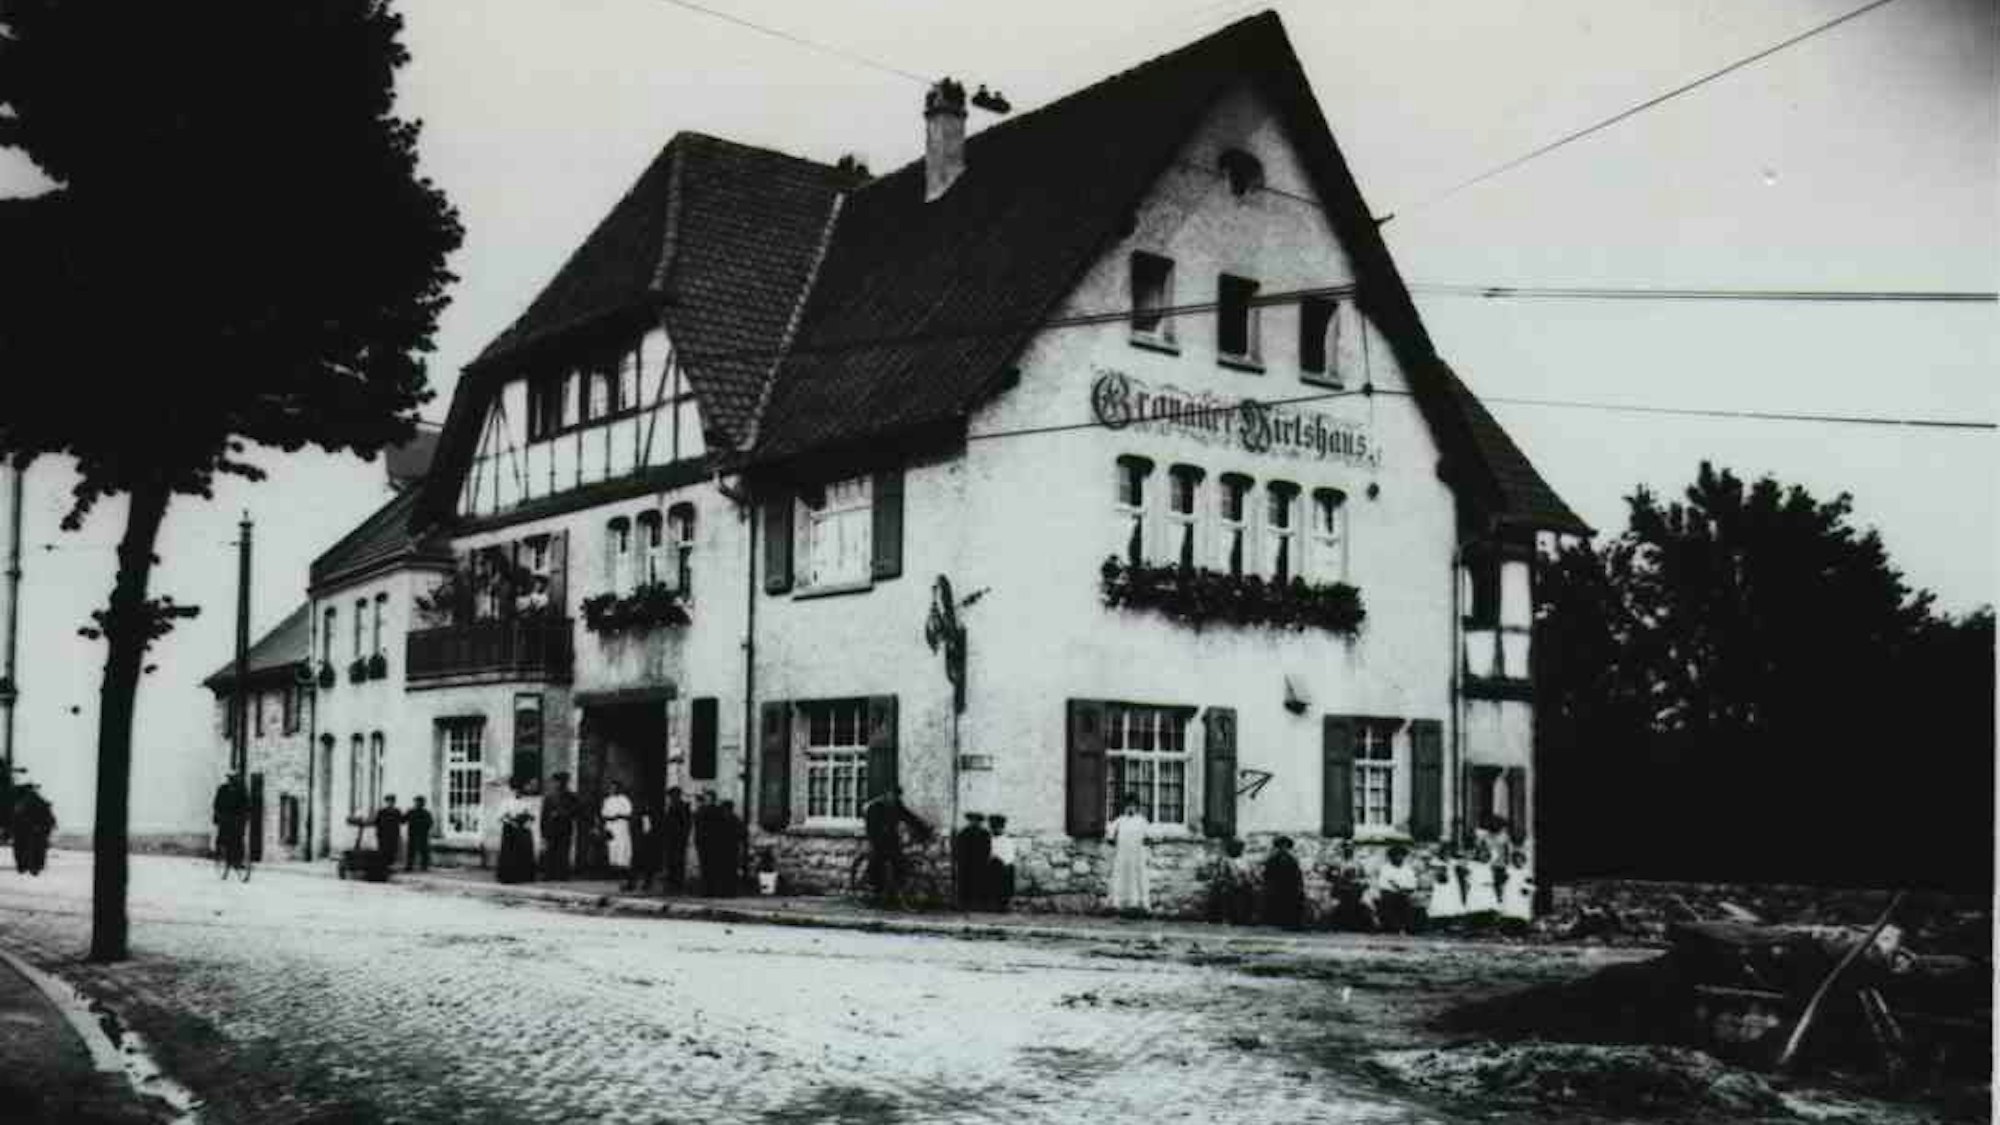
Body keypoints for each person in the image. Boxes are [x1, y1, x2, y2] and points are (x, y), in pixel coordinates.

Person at [861, 786, 931, 905]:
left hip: (891, 837)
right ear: (887, 794)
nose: (894, 798)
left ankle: (899, 889)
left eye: (897, 796)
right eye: (893, 795)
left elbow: (909, 817)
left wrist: (923, 829)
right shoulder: (875, 807)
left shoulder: (897, 805)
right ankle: (872, 884)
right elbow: (871, 828)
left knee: (899, 859)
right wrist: (878, 839)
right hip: (876, 836)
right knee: (879, 856)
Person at [1105, 796, 1151, 915]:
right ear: (1125, 807)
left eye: (1133, 806)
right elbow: (1110, 835)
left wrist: (1144, 847)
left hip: (1137, 855)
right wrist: (1112, 838)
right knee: (1120, 877)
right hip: (1122, 854)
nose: (1130, 808)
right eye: (1128, 805)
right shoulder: (1120, 821)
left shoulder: (1142, 821)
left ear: (1137, 807)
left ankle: (1137, 904)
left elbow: (1148, 837)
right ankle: (1117, 903)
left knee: (1138, 878)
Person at [1372, 845, 1420, 934]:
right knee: (1389, 901)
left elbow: (1412, 883)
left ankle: (1408, 927)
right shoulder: (1385, 868)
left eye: (1401, 855)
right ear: (1391, 857)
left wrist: (1406, 890)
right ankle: (1393, 927)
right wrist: (1399, 889)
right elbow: (1386, 884)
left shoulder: (1408, 869)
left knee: (1410, 902)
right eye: (1396, 855)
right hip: (1389, 893)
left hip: (1405, 894)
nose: (1399, 857)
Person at [540, 772, 579, 879]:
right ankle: (549, 874)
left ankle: (562, 874)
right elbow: (544, 815)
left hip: (564, 827)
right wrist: (543, 831)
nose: (555, 784)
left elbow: (575, 811)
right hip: (551, 828)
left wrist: (561, 814)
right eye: (554, 782)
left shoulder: (571, 796)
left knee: (563, 851)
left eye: (558, 781)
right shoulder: (549, 797)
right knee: (550, 851)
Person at [1262, 835, 1305, 930]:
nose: (1283, 848)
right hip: (1278, 886)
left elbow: (1297, 874)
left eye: (1285, 845)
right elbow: (1267, 874)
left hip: (1289, 886)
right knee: (1280, 903)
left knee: (1288, 904)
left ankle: (1286, 921)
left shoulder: (1291, 858)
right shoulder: (1273, 859)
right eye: (1281, 845)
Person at [10, 784, 55, 876]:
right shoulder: (35, 802)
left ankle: (28, 866)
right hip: (32, 831)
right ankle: (31, 866)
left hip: (31, 831)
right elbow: (50, 821)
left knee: (28, 848)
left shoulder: (24, 803)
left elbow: (49, 820)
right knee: (32, 848)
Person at [496, 784, 536, 884]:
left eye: (520, 791)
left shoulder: (527, 802)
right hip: (510, 830)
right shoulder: (506, 802)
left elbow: (532, 816)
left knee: (523, 851)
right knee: (510, 853)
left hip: (522, 829)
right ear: (513, 791)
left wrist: (527, 823)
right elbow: (500, 816)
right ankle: (508, 876)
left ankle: (523, 875)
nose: (518, 793)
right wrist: (510, 822)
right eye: (516, 791)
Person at [953, 812, 992, 910]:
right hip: (965, 863)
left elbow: (988, 848)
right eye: (972, 820)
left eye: (977, 820)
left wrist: (984, 860)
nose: (974, 822)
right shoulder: (963, 833)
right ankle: (963, 904)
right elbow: (957, 848)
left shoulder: (985, 834)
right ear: (969, 821)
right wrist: (959, 859)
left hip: (979, 863)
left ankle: (978, 904)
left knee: (979, 883)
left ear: (980, 822)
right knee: (964, 883)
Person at [212, 772, 249, 870]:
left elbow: (246, 804)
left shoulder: (241, 790)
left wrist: (245, 815)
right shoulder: (222, 789)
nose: (233, 780)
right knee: (224, 838)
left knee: (238, 840)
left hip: (237, 819)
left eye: (235, 778)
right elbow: (217, 804)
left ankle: (238, 861)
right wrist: (218, 815)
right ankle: (221, 855)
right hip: (225, 818)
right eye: (231, 778)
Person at [624, 793, 660, 893]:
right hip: (639, 842)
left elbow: (648, 830)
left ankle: (645, 883)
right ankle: (634, 883)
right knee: (637, 863)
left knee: (646, 864)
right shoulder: (638, 814)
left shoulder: (647, 815)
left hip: (645, 843)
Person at [1424, 845, 1467, 928]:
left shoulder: (1452, 861)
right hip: (1441, 885)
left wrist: (1461, 855)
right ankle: (1438, 922)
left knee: (1451, 901)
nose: (1446, 854)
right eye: (1444, 852)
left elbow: (1463, 863)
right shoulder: (1436, 861)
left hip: (1451, 885)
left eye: (1448, 853)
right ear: (1441, 853)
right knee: (1440, 900)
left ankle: (1450, 922)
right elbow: (1431, 866)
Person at [661, 787, 692, 892]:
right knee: (671, 861)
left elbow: (686, 824)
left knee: (677, 861)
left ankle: (677, 884)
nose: (670, 798)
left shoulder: (683, 806)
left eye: (671, 796)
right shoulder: (672, 806)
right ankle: (672, 883)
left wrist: (683, 836)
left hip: (678, 838)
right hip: (671, 838)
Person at [600, 780, 634, 875]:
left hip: (621, 826)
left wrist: (618, 816)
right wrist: (608, 818)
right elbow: (604, 814)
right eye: (611, 787)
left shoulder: (624, 799)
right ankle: (613, 868)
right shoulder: (607, 800)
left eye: (615, 787)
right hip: (610, 827)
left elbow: (628, 814)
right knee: (612, 847)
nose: (612, 789)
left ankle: (623, 868)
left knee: (622, 847)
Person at [692, 791, 723, 895]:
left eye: (707, 798)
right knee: (712, 866)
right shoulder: (718, 810)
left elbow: (696, 820)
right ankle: (711, 889)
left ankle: (707, 889)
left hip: (705, 842)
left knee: (706, 866)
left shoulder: (703, 810)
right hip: (713, 842)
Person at [986, 814, 1018, 912]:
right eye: (994, 828)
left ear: (1002, 828)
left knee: (1005, 874)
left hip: (1004, 868)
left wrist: (1002, 862)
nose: (996, 830)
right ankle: (991, 903)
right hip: (991, 868)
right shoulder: (988, 840)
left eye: (998, 828)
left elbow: (1010, 857)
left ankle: (1004, 904)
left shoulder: (1007, 841)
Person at [1499, 846, 1536, 928]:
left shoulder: (1526, 872)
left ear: (1524, 861)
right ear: (1513, 861)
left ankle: (1521, 924)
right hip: (1510, 893)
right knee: (1510, 909)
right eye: (1516, 860)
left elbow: (1529, 884)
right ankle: (1509, 924)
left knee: (1521, 910)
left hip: (1520, 894)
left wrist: (1527, 888)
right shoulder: (1509, 870)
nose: (1518, 862)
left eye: (1520, 860)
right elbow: (1503, 882)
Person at [716, 800, 746, 897]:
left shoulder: (733, 820)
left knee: (729, 871)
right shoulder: (730, 819)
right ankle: (725, 891)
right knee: (725, 871)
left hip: (730, 848)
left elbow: (742, 833)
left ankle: (729, 891)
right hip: (726, 849)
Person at [405, 796, 435, 872]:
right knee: (411, 851)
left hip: (422, 835)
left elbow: (430, 823)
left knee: (423, 851)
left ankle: (424, 866)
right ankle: (409, 866)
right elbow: (403, 820)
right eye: (416, 802)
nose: (418, 804)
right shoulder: (411, 812)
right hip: (412, 834)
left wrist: (425, 829)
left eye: (420, 802)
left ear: (423, 804)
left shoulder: (426, 813)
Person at [374, 795, 403, 873]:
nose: (390, 803)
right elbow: (377, 822)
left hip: (393, 834)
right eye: (389, 801)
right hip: (383, 834)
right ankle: (383, 867)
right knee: (383, 850)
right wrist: (378, 833)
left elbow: (401, 821)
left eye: (392, 801)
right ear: (386, 802)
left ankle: (390, 867)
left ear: (394, 802)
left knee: (392, 850)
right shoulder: (382, 811)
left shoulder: (397, 811)